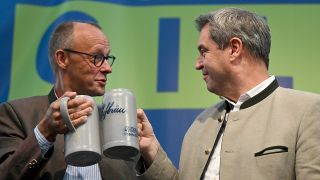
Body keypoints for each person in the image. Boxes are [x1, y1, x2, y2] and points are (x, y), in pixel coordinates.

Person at [136, 7, 320, 180]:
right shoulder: (200, 124)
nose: (197, 64)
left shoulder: (308, 111)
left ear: (234, 48)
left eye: (204, 51)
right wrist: (152, 150)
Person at [0, 21, 138, 179]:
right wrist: (44, 133)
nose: (108, 68)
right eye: (97, 57)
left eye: (107, 58)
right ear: (62, 58)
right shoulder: (16, 115)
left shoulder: (115, 125)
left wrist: (151, 155)